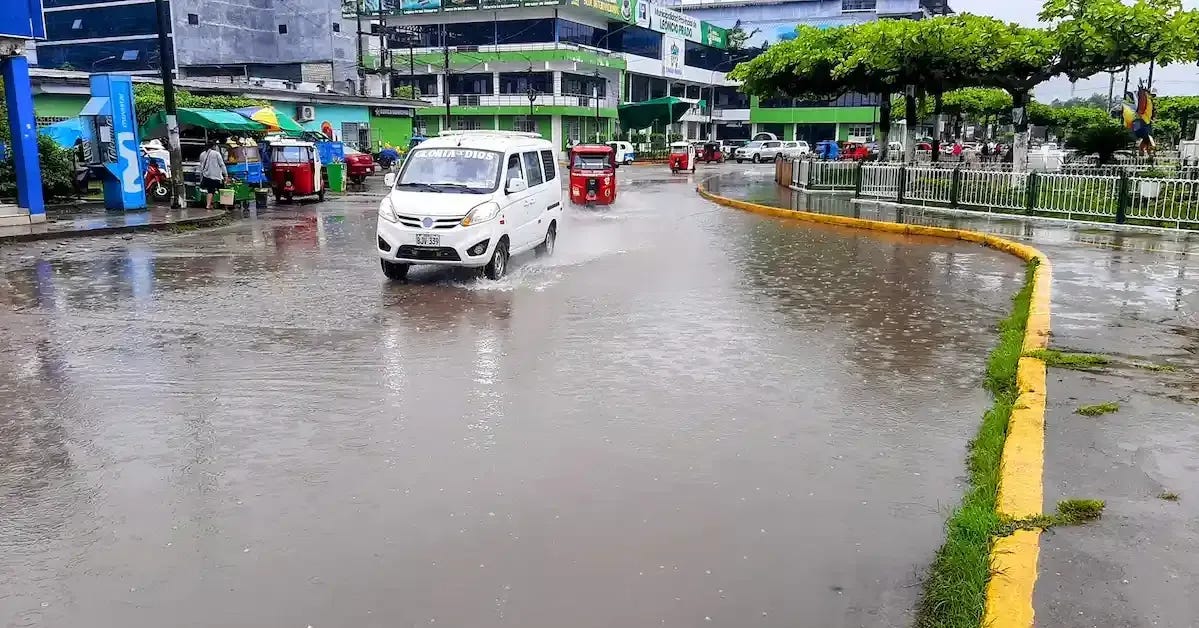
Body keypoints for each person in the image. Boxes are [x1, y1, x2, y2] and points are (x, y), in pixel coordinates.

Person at [198, 140, 228, 209]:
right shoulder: (216, 154)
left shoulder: (202, 154)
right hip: (216, 176)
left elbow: (201, 165)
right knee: (222, 190)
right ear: (213, 146)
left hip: (207, 176)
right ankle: (225, 206)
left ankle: (208, 205)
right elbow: (222, 165)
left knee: (210, 191)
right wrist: (226, 175)